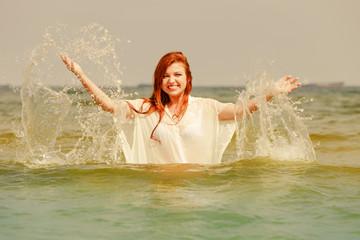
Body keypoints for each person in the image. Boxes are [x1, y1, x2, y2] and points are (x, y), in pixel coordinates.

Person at [60, 52, 300, 164]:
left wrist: (270, 93)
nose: (171, 80)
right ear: (159, 80)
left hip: (197, 189)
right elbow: (109, 105)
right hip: (159, 189)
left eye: (177, 74)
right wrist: (81, 75)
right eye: (165, 75)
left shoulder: (207, 107)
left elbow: (242, 110)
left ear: (187, 78)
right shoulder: (147, 108)